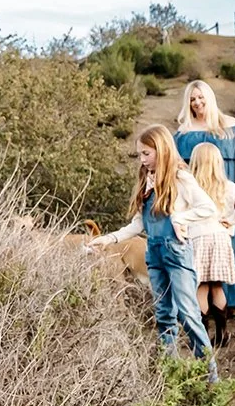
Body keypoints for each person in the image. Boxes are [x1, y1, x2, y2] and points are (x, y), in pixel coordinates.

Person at [88, 125, 220, 381]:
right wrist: (108, 239)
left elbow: (207, 207)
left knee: (188, 314)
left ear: (161, 150)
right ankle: (169, 375)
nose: (142, 159)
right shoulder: (146, 180)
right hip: (155, 254)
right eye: (140, 154)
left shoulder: (180, 178)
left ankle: (210, 376)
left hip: (177, 253)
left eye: (146, 153)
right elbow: (139, 224)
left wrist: (180, 218)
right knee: (163, 314)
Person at [175, 80, 235, 311]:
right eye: (192, 99)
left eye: (200, 97)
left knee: (228, 241)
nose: (197, 102)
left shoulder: (231, 125)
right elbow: (179, 168)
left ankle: (231, 301)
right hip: (197, 196)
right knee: (198, 244)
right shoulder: (183, 132)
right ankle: (200, 306)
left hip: (224, 193)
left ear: (209, 97)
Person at [187, 141, 235, 349]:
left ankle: (201, 336)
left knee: (201, 286)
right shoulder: (225, 185)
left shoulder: (191, 186)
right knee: (217, 286)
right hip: (220, 238)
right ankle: (222, 333)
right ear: (218, 162)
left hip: (198, 237)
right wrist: (233, 218)